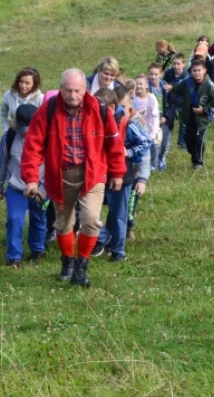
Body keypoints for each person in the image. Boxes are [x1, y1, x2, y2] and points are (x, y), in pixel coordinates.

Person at [20, 69, 126, 288]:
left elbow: (114, 143)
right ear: (61, 89)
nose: (73, 95)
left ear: (85, 89)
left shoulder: (100, 109)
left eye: (77, 90)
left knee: (91, 220)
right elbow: (32, 146)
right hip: (60, 176)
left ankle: (82, 265)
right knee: (63, 223)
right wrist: (31, 179)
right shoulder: (47, 110)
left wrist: (117, 172)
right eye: (68, 90)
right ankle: (67, 262)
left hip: (92, 173)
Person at [96, 86, 151, 261]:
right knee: (88, 210)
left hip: (122, 175)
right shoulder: (93, 121)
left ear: (111, 108)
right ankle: (104, 237)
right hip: (98, 173)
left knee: (118, 214)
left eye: (100, 109)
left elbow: (145, 142)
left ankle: (118, 251)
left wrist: (127, 152)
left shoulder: (126, 123)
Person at [0, 104, 47, 268]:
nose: (25, 132)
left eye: (29, 128)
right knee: (15, 219)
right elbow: (2, 162)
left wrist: (44, 188)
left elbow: (53, 164)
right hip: (16, 187)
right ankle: (13, 257)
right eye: (22, 128)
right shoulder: (9, 137)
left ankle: (37, 249)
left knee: (39, 219)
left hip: (41, 186)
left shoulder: (47, 137)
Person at [180, 58, 214, 168]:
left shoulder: (210, 85)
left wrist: (205, 110)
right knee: (188, 140)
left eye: (199, 70)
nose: (197, 73)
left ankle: (198, 162)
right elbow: (177, 90)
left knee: (198, 139)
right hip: (190, 117)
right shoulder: (187, 82)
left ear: (204, 70)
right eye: (194, 71)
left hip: (203, 119)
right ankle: (196, 154)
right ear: (191, 71)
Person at [0, 67, 43, 135]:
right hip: (13, 133)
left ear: (34, 84)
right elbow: (3, 114)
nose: (23, 86)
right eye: (21, 82)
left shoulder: (40, 98)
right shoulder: (8, 95)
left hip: (32, 136)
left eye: (27, 83)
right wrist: (6, 131)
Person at [131, 74, 160, 173]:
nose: (138, 86)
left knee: (155, 144)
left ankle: (154, 164)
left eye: (141, 84)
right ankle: (138, 167)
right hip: (136, 129)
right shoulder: (132, 98)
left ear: (146, 86)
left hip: (150, 127)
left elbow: (155, 117)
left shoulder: (151, 98)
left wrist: (153, 133)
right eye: (136, 84)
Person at [146, 64, 166, 170]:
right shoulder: (146, 89)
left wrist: (166, 116)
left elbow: (172, 104)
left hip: (164, 118)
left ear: (161, 75)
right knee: (154, 141)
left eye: (156, 74)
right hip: (151, 118)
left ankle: (161, 158)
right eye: (151, 74)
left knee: (164, 143)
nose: (153, 77)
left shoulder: (166, 88)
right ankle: (153, 163)